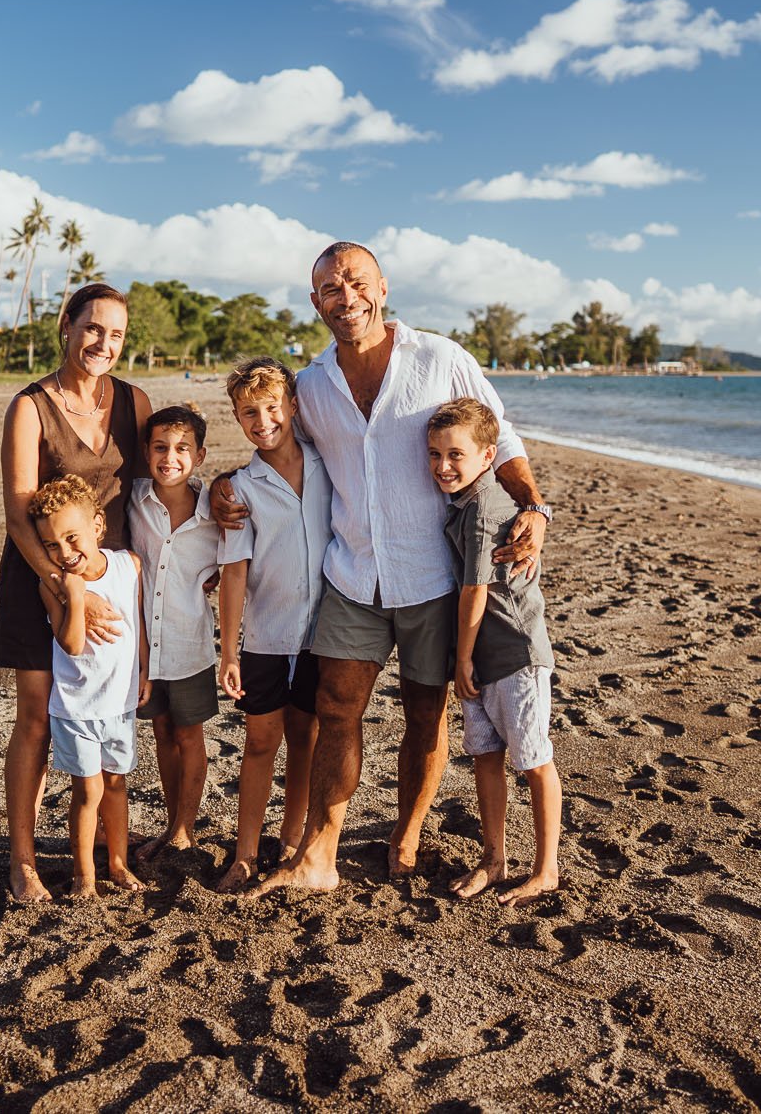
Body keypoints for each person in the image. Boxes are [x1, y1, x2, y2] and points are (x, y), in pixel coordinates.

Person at [226, 241, 551, 898]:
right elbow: (285, 450)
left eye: (356, 283)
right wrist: (224, 488)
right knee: (335, 705)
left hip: (435, 573)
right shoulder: (311, 385)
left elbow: (501, 436)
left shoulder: (440, 358)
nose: (346, 298)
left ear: (382, 287)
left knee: (425, 713)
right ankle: (320, 854)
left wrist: (535, 508)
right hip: (351, 574)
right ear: (315, 302)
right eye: (329, 288)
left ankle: (405, 839)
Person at [0, 282, 153, 903]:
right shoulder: (30, 407)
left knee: (113, 713)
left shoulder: (133, 403)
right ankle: (24, 861)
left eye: (115, 334)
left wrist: (220, 505)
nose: (102, 344)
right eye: (92, 328)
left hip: (111, 580)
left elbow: (158, 484)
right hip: (38, 574)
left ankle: (111, 853)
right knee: (35, 718)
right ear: (66, 326)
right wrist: (64, 589)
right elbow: (17, 513)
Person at [428, 397, 560, 905]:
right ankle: (495, 858)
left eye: (456, 455)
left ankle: (546, 868)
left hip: (516, 655)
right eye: (435, 454)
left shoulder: (485, 505)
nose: (443, 466)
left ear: (488, 457)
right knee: (485, 755)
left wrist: (460, 660)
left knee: (533, 760)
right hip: (482, 657)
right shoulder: (463, 501)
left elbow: (475, 591)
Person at [214, 357, 327, 891]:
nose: (262, 421)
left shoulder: (330, 466)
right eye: (248, 413)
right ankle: (244, 852)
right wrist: (230, 650)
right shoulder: (241, 488)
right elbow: (234, 574)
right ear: (237, 419)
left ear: (293, 406)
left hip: (323, 635)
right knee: (261, 742)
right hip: (265, 637)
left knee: (306, 738)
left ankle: (291, 841)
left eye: (271, 407)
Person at [29, 474, 148, 899]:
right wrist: (75, 596)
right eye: (52, 546)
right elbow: (73, 644)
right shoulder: (53, 586)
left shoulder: (128, 566)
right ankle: (84, 876)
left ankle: (117, 863)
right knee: (89, 790)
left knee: (116, 785)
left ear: (98, 526)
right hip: (77, 708)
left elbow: (139, 626)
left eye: (72, 538)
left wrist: (145, 673)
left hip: (120, 703)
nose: (65, 552)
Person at [126, 405, 222, 861]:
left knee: (190, 736)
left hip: (189, 647)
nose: (170, 458)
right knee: (162, 734)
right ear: (146, 452)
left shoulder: (217, 514)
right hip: (145, 649)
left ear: (199, 456)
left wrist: (219, 576)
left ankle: (185, 825)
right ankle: (170, 823)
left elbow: (240, 562)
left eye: (182, 449)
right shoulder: (134, 501)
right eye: (161, 448)